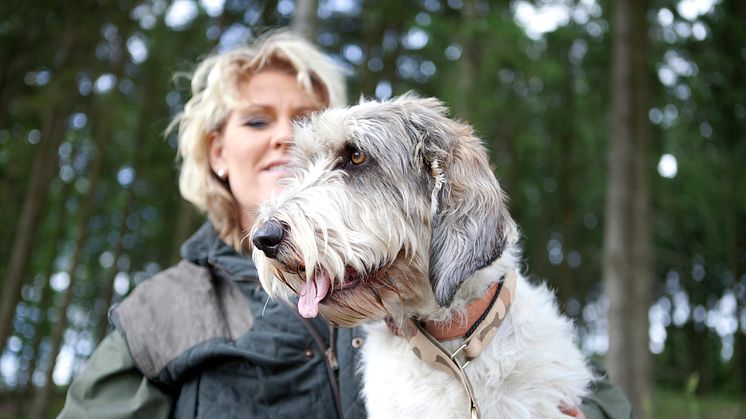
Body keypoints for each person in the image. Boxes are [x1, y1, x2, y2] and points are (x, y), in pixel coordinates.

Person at [57, 30, 630, 419]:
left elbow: (596, 398)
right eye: (257, 119)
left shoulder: (437, 291)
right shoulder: (155, 313)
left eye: (306, 122)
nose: (284, 137)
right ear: (216, 153)